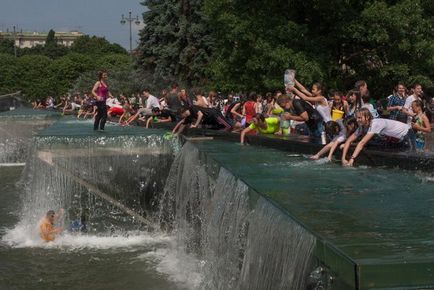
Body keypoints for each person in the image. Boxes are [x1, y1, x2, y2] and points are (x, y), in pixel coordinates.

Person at [341, 108, 415, 167]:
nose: (357, 120)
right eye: (357, 118)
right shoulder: (361, 127)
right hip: (396, 139)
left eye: (360, 118)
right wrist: (343, 158)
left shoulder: (375, 124)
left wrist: (352, 159)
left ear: (367, 117)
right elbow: (349, 140)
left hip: (407, 133)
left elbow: (362, 143)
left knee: (412, 156)